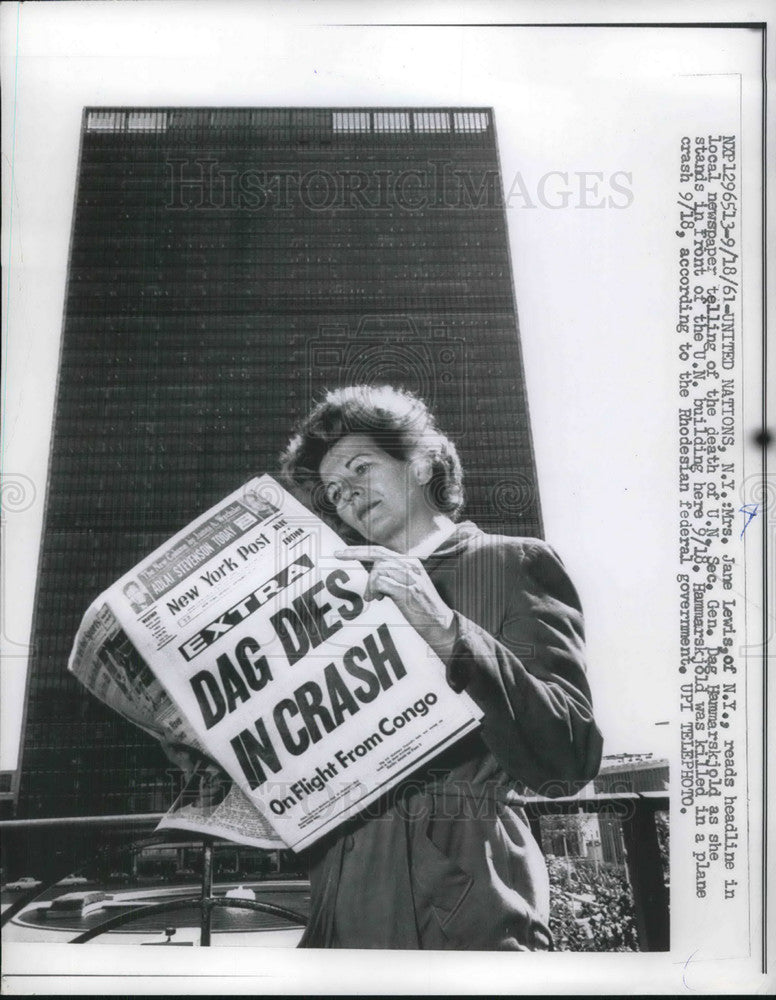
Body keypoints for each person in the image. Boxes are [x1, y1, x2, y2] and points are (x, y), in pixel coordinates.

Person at [279, 384, 603, 950]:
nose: (348, 494)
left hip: (466, 902)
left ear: (425, 461)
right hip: (345, 911)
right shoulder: (336, 602)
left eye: (361, 467)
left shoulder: (511, 562)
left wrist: (447, 631)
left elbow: (569, 755)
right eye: (333, 490)